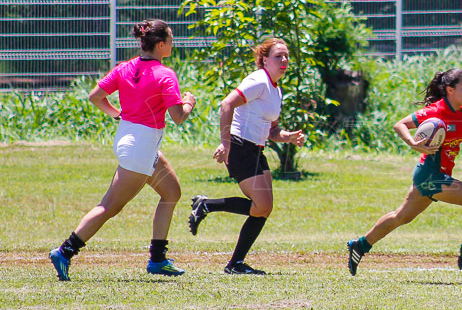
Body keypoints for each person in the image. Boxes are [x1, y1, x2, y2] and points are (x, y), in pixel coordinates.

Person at [48, 19, 197, 281]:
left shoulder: (125, 67)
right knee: (110, 207)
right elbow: (178, 117)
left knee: (171, 192)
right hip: (140, 147)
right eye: (171, 40)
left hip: (132, 140)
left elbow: (95, 96)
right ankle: (65, 251)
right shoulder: (165, 74)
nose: (173, 44)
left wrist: (117, 114)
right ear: (161, 44)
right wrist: (189, 103)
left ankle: (158, 258)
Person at [346, 67, 462, 275]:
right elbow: (399, 124)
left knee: (401, 217)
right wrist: (413, 143)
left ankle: (360, 245)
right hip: (430, 174)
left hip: (435, 175)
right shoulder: (436, 111)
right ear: (450, 90)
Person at [186, 38, 306, 275]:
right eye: (277, 56)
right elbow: (226, 105)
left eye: (286, 56)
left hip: (256, 149)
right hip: (241, 146)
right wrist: (226, 142)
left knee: (264, 208)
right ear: (263, 60)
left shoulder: (275, 89)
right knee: (261, 205)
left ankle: (236, 263)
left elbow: (272, 131)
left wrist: (289, 136)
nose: (284, 60)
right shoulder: (258, 80)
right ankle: (207, 206)